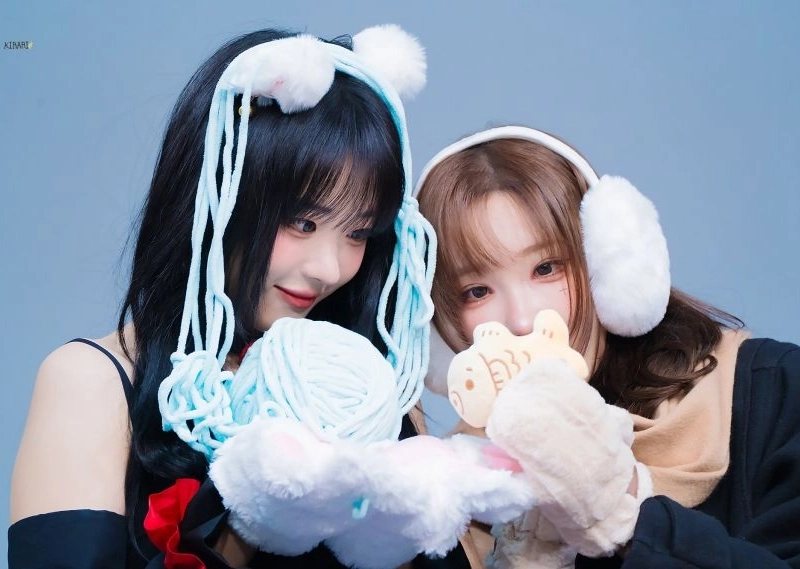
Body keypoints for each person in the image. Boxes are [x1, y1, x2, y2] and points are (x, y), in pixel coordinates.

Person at [9, 24, 473, 569]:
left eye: (357, 232)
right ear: (217, 193)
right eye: (302, 222)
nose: (329, 269)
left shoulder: (371, 388)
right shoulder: (94, 381)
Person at [415, 125, 800, 568]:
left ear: (606, 265)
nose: (521, 320)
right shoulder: (452, 487)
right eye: (477, 292)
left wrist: (619, 510)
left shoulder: (772, 390)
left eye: (547, 268)